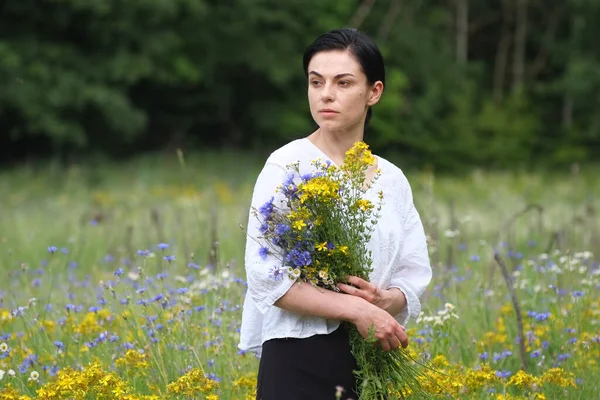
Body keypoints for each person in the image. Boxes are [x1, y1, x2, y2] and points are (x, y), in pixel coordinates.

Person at [238, 28, 432, 400]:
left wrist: (384, 302)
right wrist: (355, 310)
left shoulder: (392, 179)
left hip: (374, 356)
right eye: (316, 82)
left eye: (343, 82)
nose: (326, 94)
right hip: (299, 356)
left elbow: (413, 268)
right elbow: (265, 274)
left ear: (373, 92)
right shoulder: (288, 166)